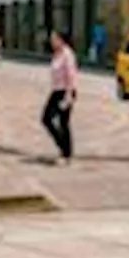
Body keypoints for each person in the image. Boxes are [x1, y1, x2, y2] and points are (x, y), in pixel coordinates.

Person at [41, 30, 78, 166]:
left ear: (61, 40)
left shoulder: (68, 54)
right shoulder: (57, 54)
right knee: (48, 120)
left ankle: (65, 153)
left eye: (54, 39)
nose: (52, 41)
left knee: (61, 122)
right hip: (56, 91)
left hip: (66, 91)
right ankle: (65, 150)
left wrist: (69, 95)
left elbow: (71, 75)